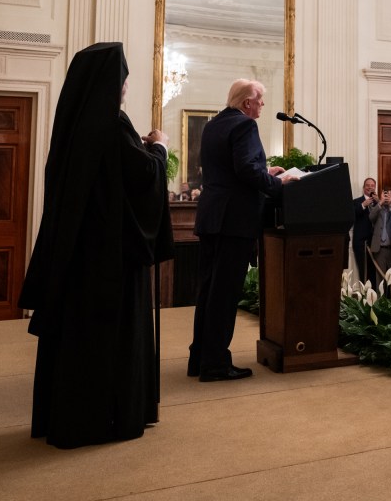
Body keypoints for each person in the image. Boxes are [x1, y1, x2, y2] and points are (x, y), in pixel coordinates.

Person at [19, 42, 174, 449]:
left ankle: (70, 417)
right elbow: (142, 178)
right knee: (109, 339)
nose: (124, 87)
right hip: (111, 259)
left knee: (78, 338)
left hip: (78, 255)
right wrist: (158, 147)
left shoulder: (73, 122)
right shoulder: (111, 122)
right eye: (122, 79)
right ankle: (109, 418)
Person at [188, 78, 297, 382]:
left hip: (211, 217)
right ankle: (216, 364)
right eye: (260, 100)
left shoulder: (213, 125)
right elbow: (246, 171)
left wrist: (264, 171)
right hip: (234, 221)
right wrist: (278, 183)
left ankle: (199, 357)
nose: (262, 104)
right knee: (224, 294)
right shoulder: (245, 126)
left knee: (209, 291)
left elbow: (231, 169)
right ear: (247, 102)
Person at [351, 178, 377, 282]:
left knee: (375, 271)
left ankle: (375, 295)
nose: (370, 187)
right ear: (363, 188)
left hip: (375, 243)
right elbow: (352, 215)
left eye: (372, 185)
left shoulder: (378, 202)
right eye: (367, 185)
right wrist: (363, 205)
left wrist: (379, 202)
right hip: (361, 243)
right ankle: (364, 295)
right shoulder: (356, 202)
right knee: (363, 271)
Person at [368, 188, 391, 282]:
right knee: (380, 278)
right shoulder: (376, 208)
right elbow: (371, 217)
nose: (386, 197)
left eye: (389, 195)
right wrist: (380, 202)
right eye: (384, 195)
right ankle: (381, 297)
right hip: (379, 249)